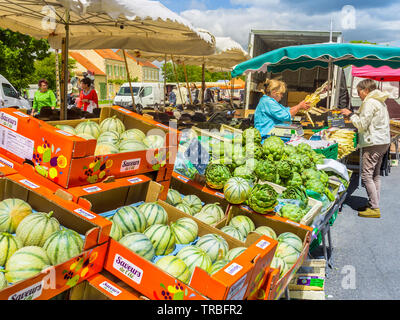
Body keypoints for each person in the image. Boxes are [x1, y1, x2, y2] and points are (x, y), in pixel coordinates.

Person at [340, 79, 391, 218]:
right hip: (383, 142)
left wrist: (350, 115)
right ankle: (373, 203)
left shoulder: (370, 102)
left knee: (366, 175)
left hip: (373, 143)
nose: (359, 95)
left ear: (365, 90)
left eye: (359, 92)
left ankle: (374, 208)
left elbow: (362, 124)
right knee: (375, 174)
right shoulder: (380, 101)